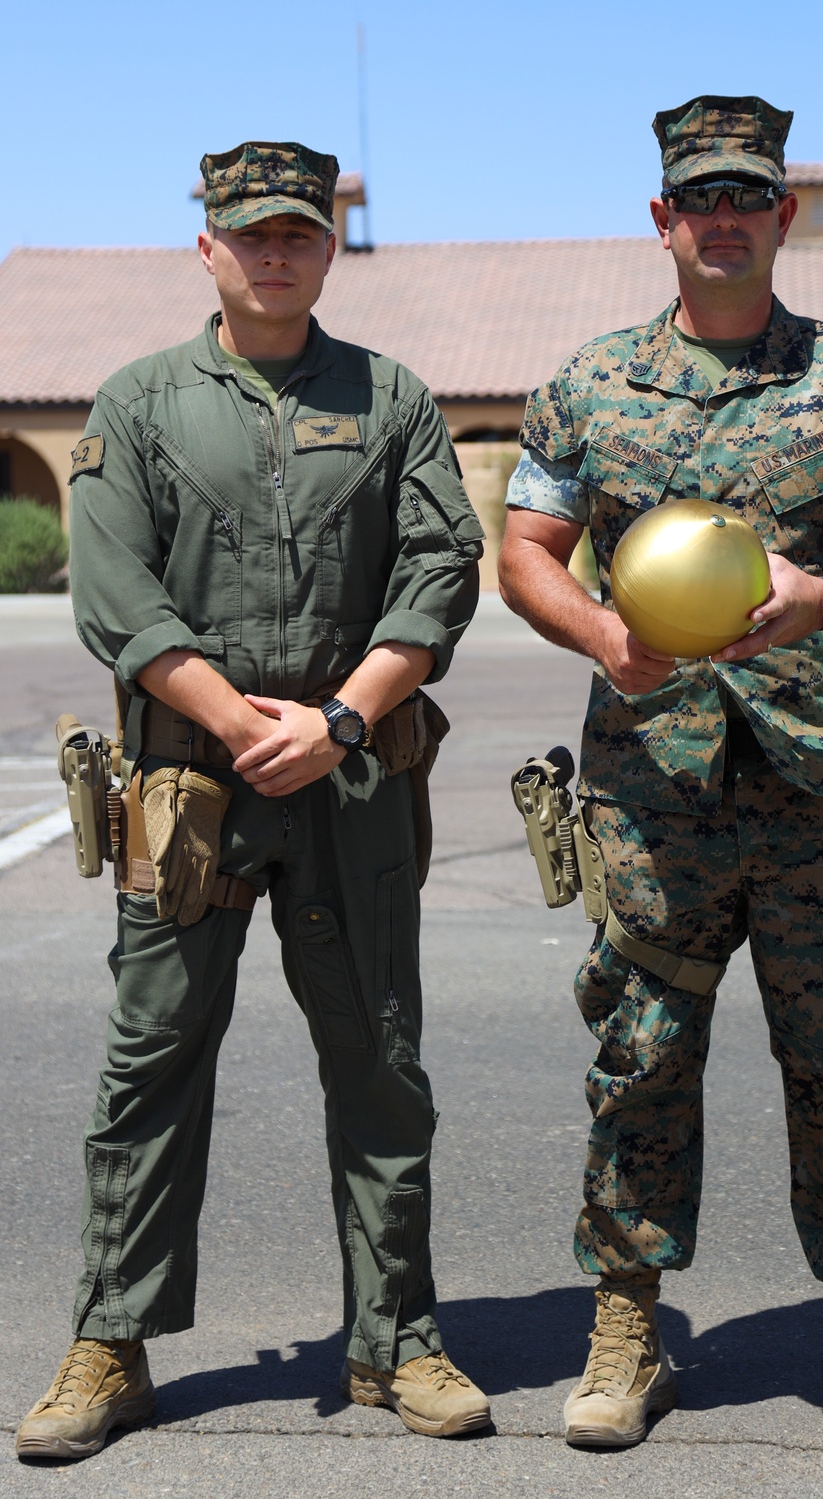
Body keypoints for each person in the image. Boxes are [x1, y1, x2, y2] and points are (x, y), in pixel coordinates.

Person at [498, 96, 823, 1464]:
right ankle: (627, 1327)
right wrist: (604, 634)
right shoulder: (590, 383)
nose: (723, 217)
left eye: (747, 197)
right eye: (698, 198)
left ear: (782, 215)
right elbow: (524, 550)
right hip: (652, 783)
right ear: (663, 219)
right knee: (639, 1060)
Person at [16, 141, 490, 1461]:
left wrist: (340, 716)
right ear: (208, 245)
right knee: (152, 1060)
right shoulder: (143, 402)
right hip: (189, 789)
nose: (278, 251)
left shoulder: (389, 398)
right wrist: (237, 723)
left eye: (302, 231)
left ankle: (399, 1340)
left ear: (330, 245)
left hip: (352, 778)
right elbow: (114, 591)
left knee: (382, 1058)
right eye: (253, 232)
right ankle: (110, 1344)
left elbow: (442, 569)